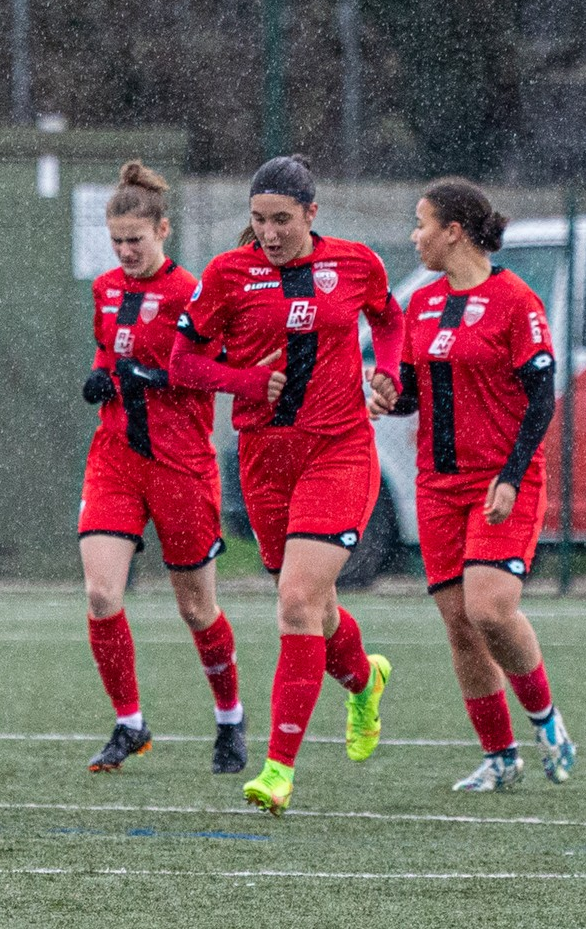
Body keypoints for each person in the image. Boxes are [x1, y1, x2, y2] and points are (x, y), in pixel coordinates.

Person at [168, 154, 404, 816]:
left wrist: (389, 373)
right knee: (317, 610)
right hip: (265, 459)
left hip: (338, 450)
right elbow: (182, 360)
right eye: (258, 220)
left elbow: (389, 320)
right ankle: (364, 678)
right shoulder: (226, 274)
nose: (268, 234)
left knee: (296, 602)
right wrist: (244, 381)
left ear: (311, 214)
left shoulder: (356, 264)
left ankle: (278, 769)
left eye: (281, 220)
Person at [374, 177, 577, 792]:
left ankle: (546, 723)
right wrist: (392, 396)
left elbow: (542, 398)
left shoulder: (516, 300)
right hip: (438, 485)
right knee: (460, 624)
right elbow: (415, 392)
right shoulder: (423, 305)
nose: (415, 236)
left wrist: (513, 476)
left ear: (454, 231)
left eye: (422, 223)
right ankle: (500, 757)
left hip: (501, 480)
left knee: (491, 609)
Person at [76, 161, 245, 774]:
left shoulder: (192, 296)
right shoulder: (106, 289)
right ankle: (130, 724)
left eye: (135, 241)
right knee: (100, 593)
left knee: (197, 609)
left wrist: (162, 377)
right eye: (116, 241)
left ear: (163, 231)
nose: (124, 251)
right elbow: (107, 344)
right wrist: (101, 373)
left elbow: (215, 370)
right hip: (116, 459)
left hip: (180, 465)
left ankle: (230, 717)